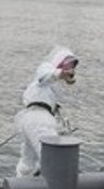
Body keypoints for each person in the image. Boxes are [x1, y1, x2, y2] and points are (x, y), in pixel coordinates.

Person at [14, 46, 79, 177]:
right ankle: (56, 186)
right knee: (51, 156)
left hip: (30, 118)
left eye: (71, 66)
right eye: (67, 65)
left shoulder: (52, 87)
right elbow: (45, 76)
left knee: (28, 161)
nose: (69, 69)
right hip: (39, 118)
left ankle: (21, 184)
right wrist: (60, 74)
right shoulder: (46, 69)